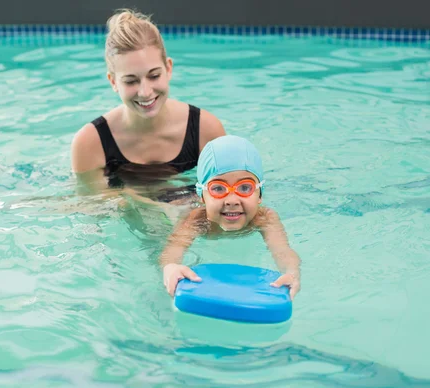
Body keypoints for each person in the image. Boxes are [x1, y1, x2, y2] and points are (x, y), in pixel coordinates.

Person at [70, 9, 226, 203]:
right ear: (113, 82)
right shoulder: (90, 142)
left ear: (168, 68)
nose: (144, 92)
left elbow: (226, 197)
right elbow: (94, 211)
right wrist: (142, 204)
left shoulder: (206, 131)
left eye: (154, 76)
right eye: (130, 81)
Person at [159, 135, 301, 299]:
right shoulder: (196, 220)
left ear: (260, 195)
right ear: (202, 197)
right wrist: (171, 267)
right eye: (218, 188)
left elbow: (283, 251)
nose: (232, 201)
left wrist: (292, 273)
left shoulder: (264, 218)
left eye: (245, 187)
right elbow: (173, 249)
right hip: (176, 201)